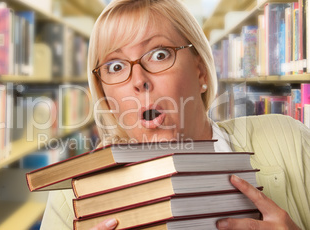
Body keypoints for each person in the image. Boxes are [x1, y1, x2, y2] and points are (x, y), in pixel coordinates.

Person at [40, 0, 310, 229]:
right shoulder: (74, 197)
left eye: (159, 54)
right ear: (106, 96)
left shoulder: (290, 141)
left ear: (200, 71)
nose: (139, 80)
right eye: (116, 66)